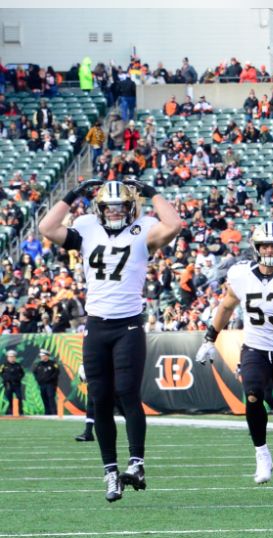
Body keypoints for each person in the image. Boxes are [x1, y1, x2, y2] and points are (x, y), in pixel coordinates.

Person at [37, 179, 183, 502]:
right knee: (100, 399)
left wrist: (150, 191)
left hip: (128, 324)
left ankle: (137, 463)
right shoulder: (87, 227)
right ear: (98, 208)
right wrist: (73, 193)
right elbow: (47, 227)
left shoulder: (144, 228)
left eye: (120, 206)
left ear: (130, 206)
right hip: (97, 326)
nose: (114, 212)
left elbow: (174, 224)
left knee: (127, 392)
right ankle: (111, 474)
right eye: (108, 206)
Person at [197, 221, 273, 486]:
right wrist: (210, 337)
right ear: (257, 247)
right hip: (255, 347)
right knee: (254, 395)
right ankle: (262, 454)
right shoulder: (241, 274)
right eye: (265, 245)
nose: (269, 249)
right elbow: (226, 307)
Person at [32, 349, 59, 415]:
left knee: (51, 397)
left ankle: (54, 412)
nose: (42, 357)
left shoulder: (53, 363)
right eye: (41, 356)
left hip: (50, 384)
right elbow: (35, 372)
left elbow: (56, 372)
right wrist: (38, 379)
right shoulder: (38, 364)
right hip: (42, 384)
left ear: (47, 356)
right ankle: (47, 412)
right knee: (44, 397)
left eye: (43, 356)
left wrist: (50, 379)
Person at [1, 350, 23, 415]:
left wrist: (18, 378)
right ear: (8, 358)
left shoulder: (18, 365)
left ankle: (20, 411)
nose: (11, 358)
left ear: (15, 358)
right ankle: (10, 411)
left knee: (19, 397)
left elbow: (22, 373)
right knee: (9, 398)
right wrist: (6, 379)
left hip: (16, 384)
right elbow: (1, 373)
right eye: (10, 357)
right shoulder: (4, 365)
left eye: (13, 357)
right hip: (8, 385)